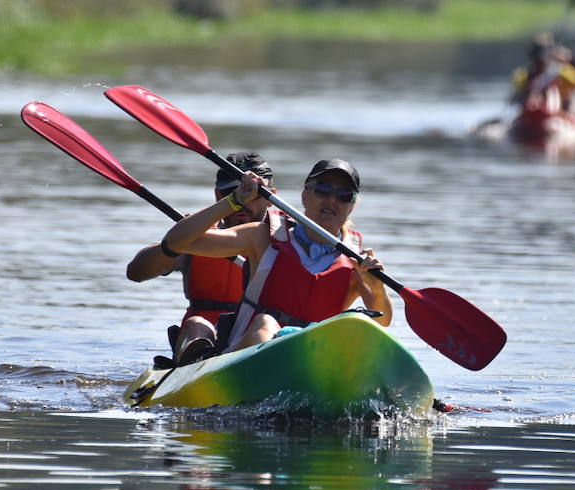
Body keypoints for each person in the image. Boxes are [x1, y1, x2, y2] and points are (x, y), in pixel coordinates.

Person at [159, 158, 391, 356]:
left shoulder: (358, 260)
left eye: (343, 195)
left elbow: (382, 321)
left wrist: (377, 287)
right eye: (322, 190)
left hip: (314, 357)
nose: (332, 199)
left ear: (351, 207)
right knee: (264, 322)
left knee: (359, 326)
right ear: (304, 196)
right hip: (243, 353)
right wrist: (233, 201)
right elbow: (177, 242)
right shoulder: (262, 237)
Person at [127, 151, 274, 366]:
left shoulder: (285, 241)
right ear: (218, 195)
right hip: (201, 351)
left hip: (252, 344)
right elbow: (136, 272)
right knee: (197, 325)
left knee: (264, 324)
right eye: (232, 192)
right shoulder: (193, 237)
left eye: (255, 194)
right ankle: (196, 362)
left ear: (271, 197)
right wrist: (176, 243)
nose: (245, 200)